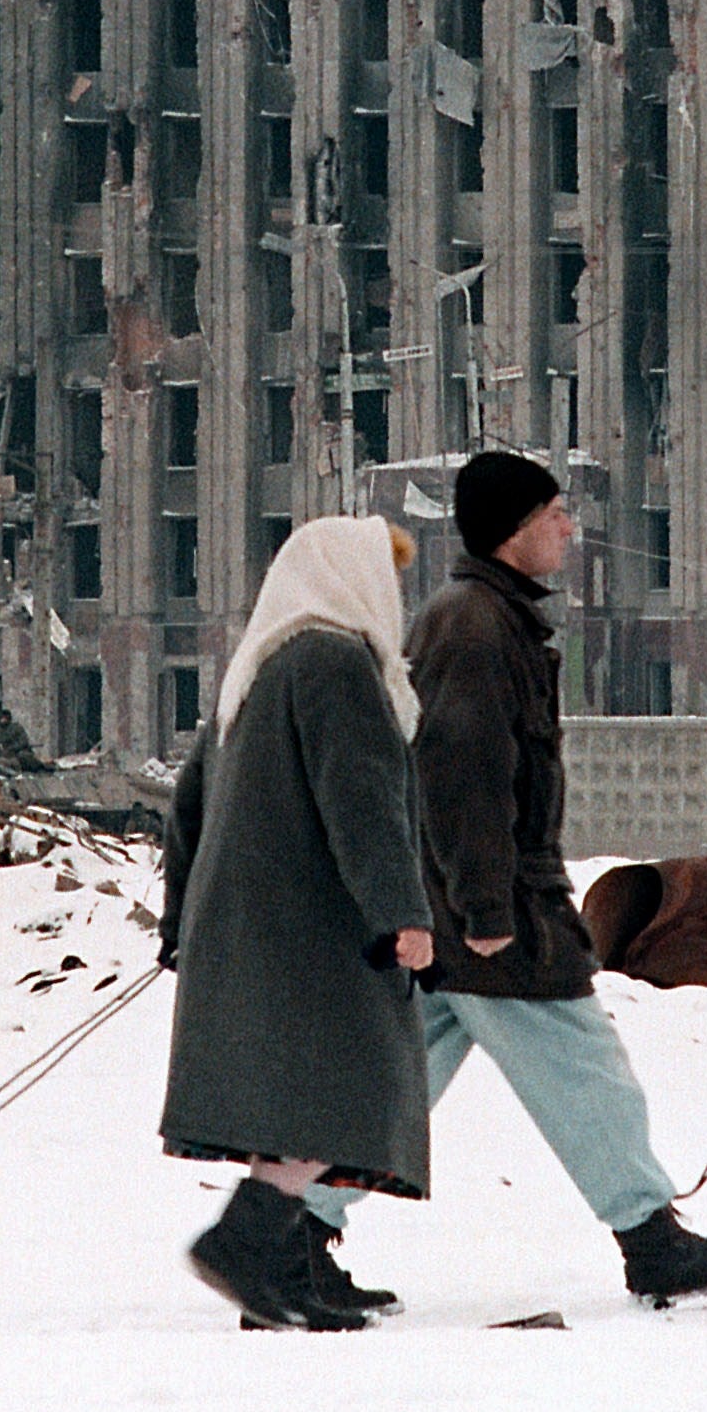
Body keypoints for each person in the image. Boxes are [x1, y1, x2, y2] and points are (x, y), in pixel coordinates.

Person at [309, 449, 707, 1308]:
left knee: (396, 1073)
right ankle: (653, 1241)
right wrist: (487, 904)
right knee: (583, 1065)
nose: (570, 526)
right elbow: (461, 776)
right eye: (555, 512)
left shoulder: (487, 616)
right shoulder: (474, 626)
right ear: (514, 529)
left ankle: (280, 1230)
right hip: (494, 906)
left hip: (462, 901)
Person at [158, 515, 438, 1331]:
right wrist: (402, 914)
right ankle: (245, 1243)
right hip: (311, 928)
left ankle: (278, 1270)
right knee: (347, 1087)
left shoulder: (258, 666)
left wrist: (180, 919)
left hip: (248, 923)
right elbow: (365, 804)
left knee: (293, 1098)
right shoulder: (335, 663)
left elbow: (186, 806)